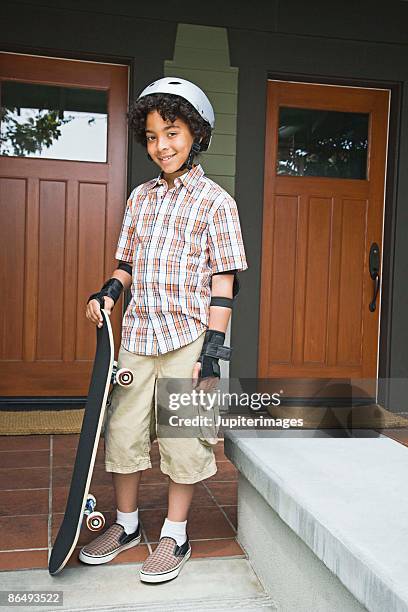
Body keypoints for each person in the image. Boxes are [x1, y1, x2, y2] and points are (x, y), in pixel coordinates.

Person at [79, 77, 248, 583]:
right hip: (137, 335)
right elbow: (127, 261)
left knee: (182, 439)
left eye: (172, 132)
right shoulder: (140, 198)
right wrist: (108, 291)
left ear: (196, 133)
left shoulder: (217, 203)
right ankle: (127, 525)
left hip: (189, 339)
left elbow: (224, 283)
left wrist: (214, 352)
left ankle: (175, 533)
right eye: (152, 136)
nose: (161, 146)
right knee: (124, 433)